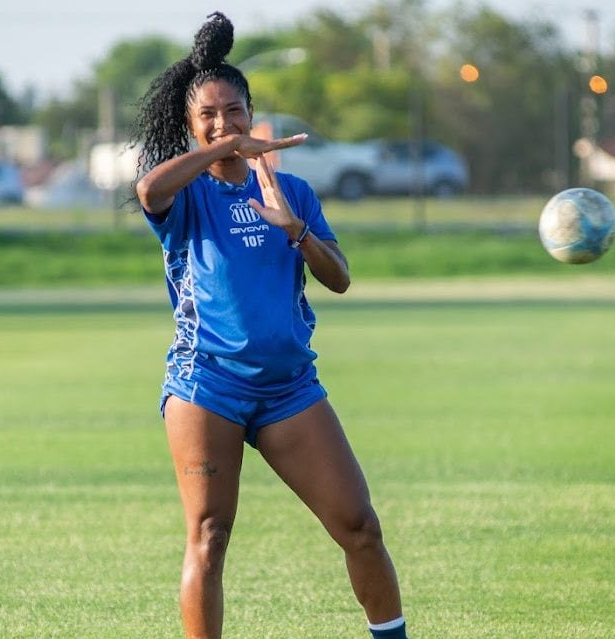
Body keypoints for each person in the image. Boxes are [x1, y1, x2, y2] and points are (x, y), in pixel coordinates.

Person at [131, 12, 409, 639]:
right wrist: (220, 152)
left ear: (252, 111)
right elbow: (148, 189)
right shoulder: (188, 194)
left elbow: (338, 276)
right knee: (208, 536)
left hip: (288, 389)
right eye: (207, 114)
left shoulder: (294, 191)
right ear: (190, 126)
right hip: (208, 387)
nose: (223, 122)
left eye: (233, 111)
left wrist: (296, 229)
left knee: (361, 527)